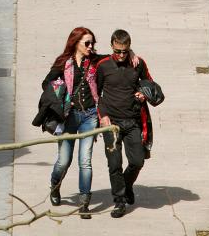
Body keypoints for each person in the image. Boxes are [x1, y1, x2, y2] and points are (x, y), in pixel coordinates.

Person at [41, 27, 101, 219]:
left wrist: (131, 53)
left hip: (90, 115)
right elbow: (46, 84)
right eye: (87, 43)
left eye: (93, 43)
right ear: (76, 43)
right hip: (68, 118)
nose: (91, 46)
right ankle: (55, 185)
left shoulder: (95, 61)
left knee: (85, 160)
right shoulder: (63, 63)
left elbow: (116, 58)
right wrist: (61, 95)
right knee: (64, 160)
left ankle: (84, 202)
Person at [96, 29, 155, 218]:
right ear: (111, 46)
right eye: (117, 51)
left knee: (137, 161)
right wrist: (102, 115)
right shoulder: (103, 65)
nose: (121, 55)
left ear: (129, 48)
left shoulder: (137, 63)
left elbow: (150, 83)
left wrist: (144, 93)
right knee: (114, 164)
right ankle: (119, 201)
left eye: (125, 51)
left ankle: (127, 185)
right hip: (110, 123)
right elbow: (95, 94)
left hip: (133, 121)